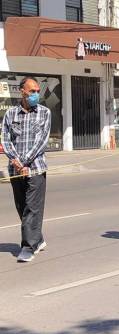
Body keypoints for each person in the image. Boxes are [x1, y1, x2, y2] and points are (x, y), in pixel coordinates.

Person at [3, 76, 51, 263]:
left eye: (38, 91)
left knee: (32, 208)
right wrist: (15, 160)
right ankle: (37, 239)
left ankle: (28, 246)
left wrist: (24, 162)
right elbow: (6, 139)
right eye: (32, 91)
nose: (36, 95)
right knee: (21, 207)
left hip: (35, 168)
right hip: (16, 169)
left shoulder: (44, 113)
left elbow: (41, 141)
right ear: (22, 91)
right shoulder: (10, 114)